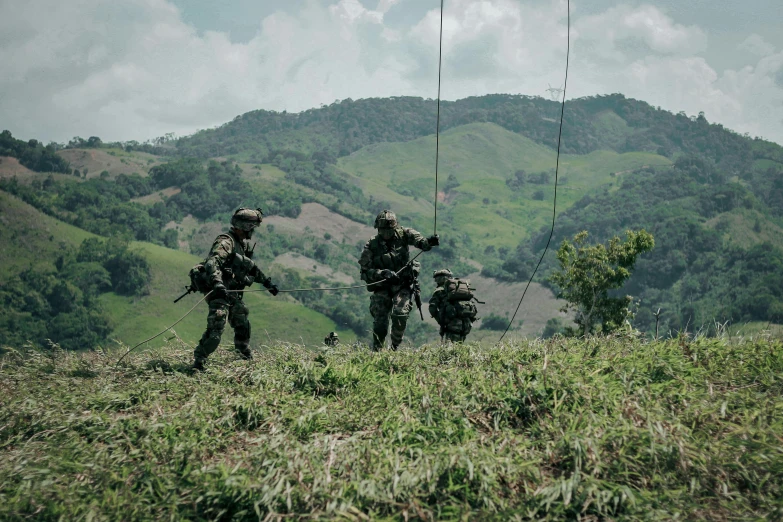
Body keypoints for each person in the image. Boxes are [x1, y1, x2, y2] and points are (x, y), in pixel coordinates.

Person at [193, 208, 279, 370]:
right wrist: (217, 283)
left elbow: (250, 268)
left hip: (232, 295)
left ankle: (244, 357)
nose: (253, 231)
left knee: (242, 325)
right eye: (252, 227)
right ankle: (198, 362)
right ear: (245, 226)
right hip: (219, 293)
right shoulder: (226, 242)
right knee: (215, 332)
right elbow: (213, 262)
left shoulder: (240, 245)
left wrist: (267, 284)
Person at [359, 209, 439, 351]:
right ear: (378, 229)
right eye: (383, 230)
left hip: (402, 284)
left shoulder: (404, 234)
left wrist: (429, 242)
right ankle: (377, 352)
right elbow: (365, 272)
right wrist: (382, 273)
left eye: (389, 230)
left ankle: (394, 347)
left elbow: (421, 242)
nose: (386, 233)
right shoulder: (372, 245)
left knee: (400, 314)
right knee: (380, 325)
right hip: (382, 287)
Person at [428, 268, 476, 343]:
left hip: (453, 324)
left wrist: (441, 320)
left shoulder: (439, 291)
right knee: (460, 348)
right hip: (466, 324)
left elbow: (432, 309)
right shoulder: (458, 288)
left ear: (439, 278)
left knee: (451, 350)